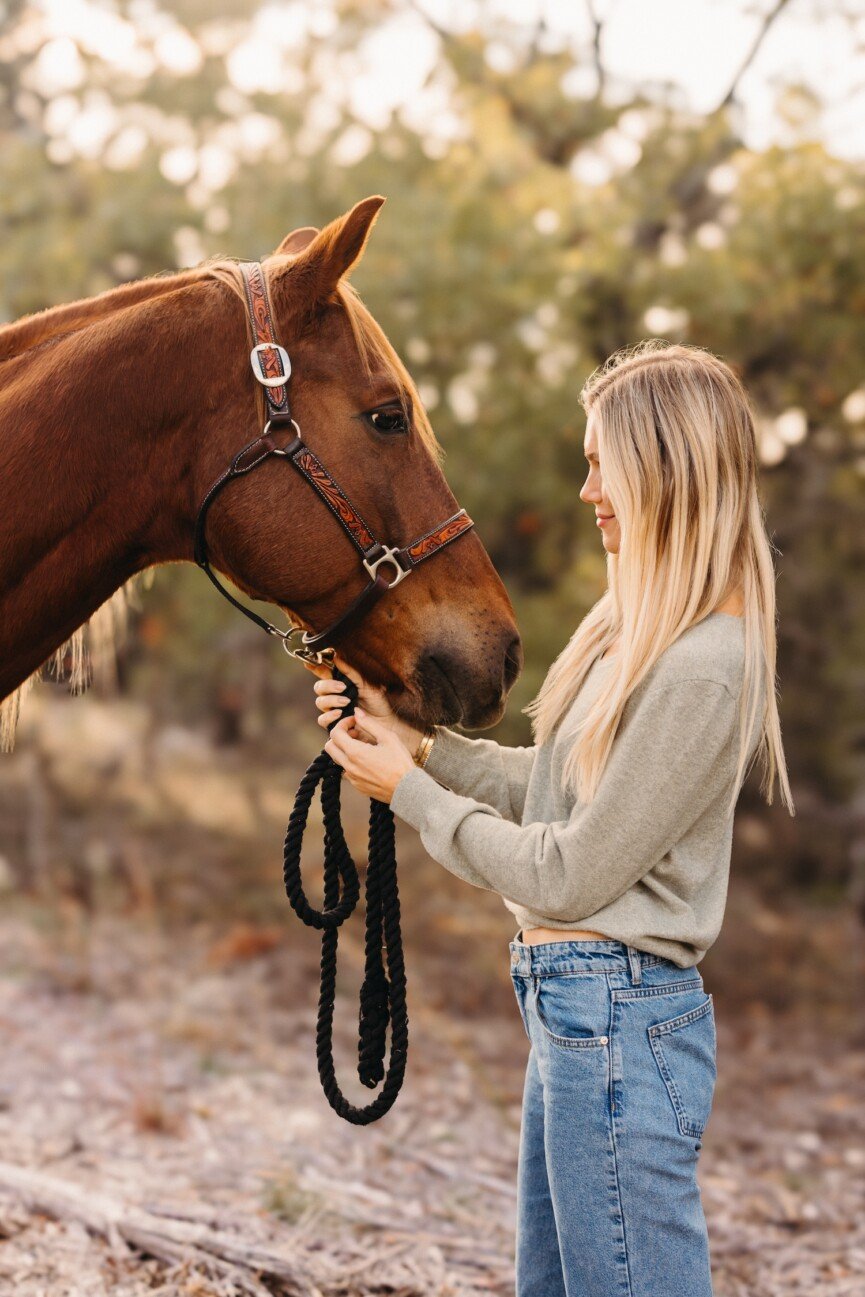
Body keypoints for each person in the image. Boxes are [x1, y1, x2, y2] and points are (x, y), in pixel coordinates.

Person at [307, 339, 794, 1297]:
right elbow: (558, 788)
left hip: (614, 1010)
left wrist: (410, 796)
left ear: (665, 467)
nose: (586, 490)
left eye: (599, 462)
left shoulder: (706, 663)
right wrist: (416, 743)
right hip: (575, 1008)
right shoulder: (632, 630)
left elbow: (570, 872)